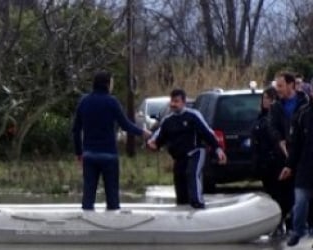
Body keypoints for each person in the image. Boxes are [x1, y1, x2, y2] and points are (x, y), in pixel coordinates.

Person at [71, 71, 151, 211]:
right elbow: (125, 124)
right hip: (109, 155)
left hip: (89, 154)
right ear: (107, 84)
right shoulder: (112, 102)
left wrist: (79, 153)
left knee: (88, 194)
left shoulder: (84, 101)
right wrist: (142, 132)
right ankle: (112, 223)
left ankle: (87, 222)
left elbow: (76, 130)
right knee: (112, 194)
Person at [147, 88, 226, 208]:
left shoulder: (193, 116)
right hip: (179, 157)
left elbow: (207, 133)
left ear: (183, 102)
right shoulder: (168, 121)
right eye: (172, 101)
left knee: (192, 173)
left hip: (196, 152)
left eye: (177, 101)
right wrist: (153, 145)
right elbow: (160, 139)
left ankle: (198, 203)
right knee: (180, 181)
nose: (173, 104)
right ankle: (183, 207)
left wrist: (218, 149)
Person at [251, 86, 293, 235]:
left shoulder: (277, 118)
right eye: (264, 98)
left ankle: (282, 223)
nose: (265, 101)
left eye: (269, 98)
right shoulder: (260, 118)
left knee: (280, 195)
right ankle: (277, 224)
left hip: (276, 162)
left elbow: (281, 138)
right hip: (263, 163)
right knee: (270, 193)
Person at [279, 97, 313, 246]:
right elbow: (296, 144)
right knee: (300, 202)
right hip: (305, 168)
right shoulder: (304, 113)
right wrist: (289, 165)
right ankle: (298, 230)